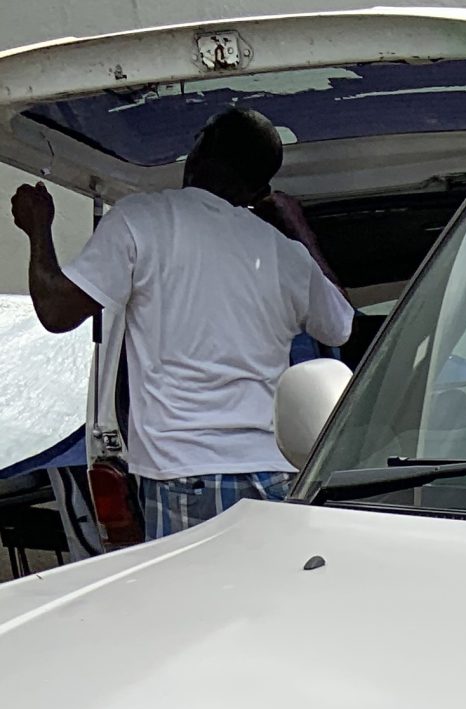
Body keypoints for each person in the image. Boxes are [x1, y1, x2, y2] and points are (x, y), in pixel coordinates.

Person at [10, 106, 355, 542]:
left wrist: (38, 228)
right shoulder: (285, 253)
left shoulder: (141, 219)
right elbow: (341, 327)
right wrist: (295, 226)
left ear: (197, 151)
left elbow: (56, 312)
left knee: (192, 589)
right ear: (260, 190)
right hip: (273, 472)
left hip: (185, 473)